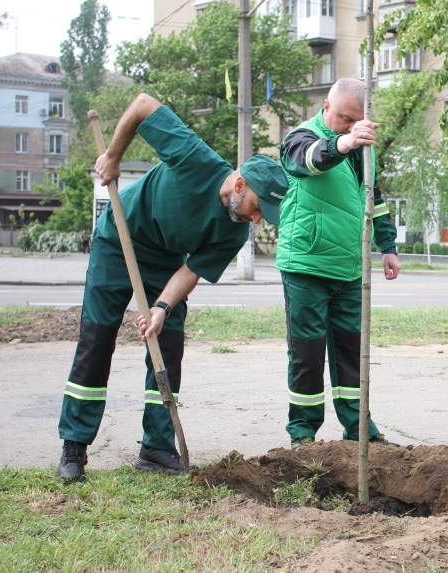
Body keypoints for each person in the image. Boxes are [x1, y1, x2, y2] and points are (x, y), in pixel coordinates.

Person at [56, 93, 289, 482]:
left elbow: (192, 270)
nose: (257, 219)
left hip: (165, 261)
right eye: (257, 206)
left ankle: (156, 448)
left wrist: (162, 307)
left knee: (168, 344)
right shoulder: (196, 158)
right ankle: (74, 447)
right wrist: (113, 156)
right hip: (120, 237)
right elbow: (143, 104)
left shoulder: (232, 231)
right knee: (97, 338)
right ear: (240, 183)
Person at [277, 78, 401, 451]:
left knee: (352, 354)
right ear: (326, 106)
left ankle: (359, 428)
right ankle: (303, 435)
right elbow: (310, 161)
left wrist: (388, 245)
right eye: (344, 118)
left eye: (356, 121)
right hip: (307, 265)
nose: (349, 126)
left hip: (350, 268)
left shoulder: (364, 147)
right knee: (307, 355)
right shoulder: (300, 137)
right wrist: (345, 141)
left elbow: (372, 197)